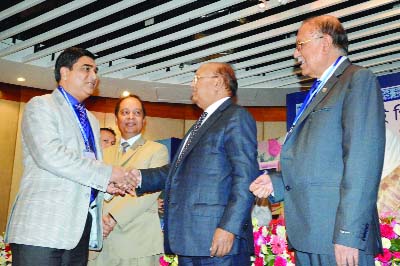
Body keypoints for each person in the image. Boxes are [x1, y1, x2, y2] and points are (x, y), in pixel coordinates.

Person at [250, 15, 386, 266]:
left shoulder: (356, 80)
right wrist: (276, 182)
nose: (295, 54)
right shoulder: (319, 91)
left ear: (325, 42)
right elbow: (319, 162)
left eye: (300, 44)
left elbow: (362, 163)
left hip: (337, 238)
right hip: (310, 234)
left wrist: (349, 234)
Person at [5, 47, 136, 266]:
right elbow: (50, 156)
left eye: (95, 70)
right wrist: (108, 173)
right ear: (64, 72)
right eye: (86, 69)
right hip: (42, 228)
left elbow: (88, 167)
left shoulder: (93, 121)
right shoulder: (41, 105)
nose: (94, 76)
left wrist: (105, 185)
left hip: (79, 231)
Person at [131, 62, 259, 265]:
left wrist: (229, 228)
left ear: (217, 82)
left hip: (218, 242)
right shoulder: (201, 124)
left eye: (197, 78)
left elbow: (245, 178)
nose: (192, 85)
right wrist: (137, 177)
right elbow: (177, 171)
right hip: (190, 242)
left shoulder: (235, 117)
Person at [89, 95, 168, 266]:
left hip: (137, 242)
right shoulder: (103, 153)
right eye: (125, 112)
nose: (130, 117)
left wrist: (112, 218)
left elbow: (148, 194)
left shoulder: (156, 150)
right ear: (116, 119)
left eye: (136, 113)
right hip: (101, 242)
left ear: (144, 120)